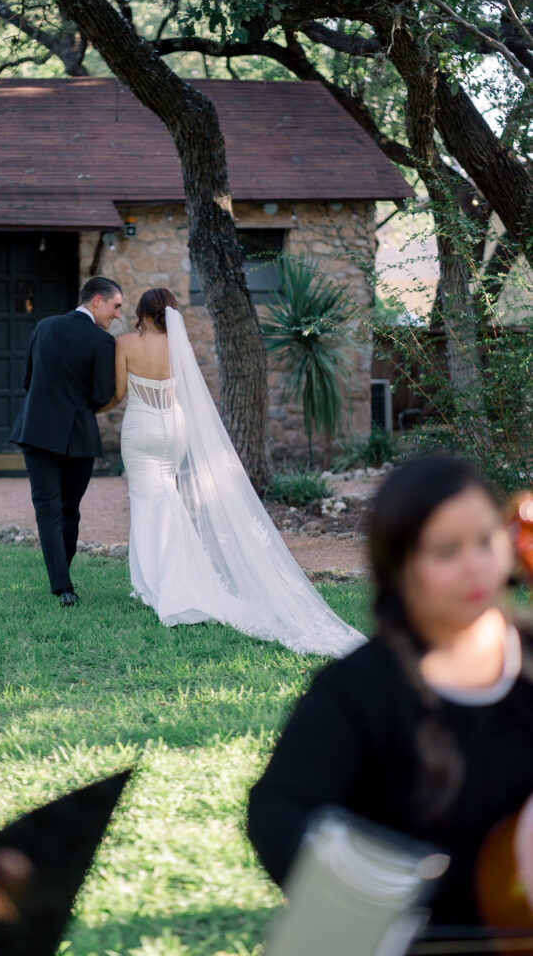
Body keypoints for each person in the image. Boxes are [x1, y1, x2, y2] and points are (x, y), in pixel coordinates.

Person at [247, 453, 533, 928]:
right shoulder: (357, 689)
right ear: (400, 568)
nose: (475, 566)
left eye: (485, 542)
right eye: (446, 551)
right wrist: (370, 905)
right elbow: (277, 815)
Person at [104, 288, 362, 657]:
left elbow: (117, 394)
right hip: (173, 428)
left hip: (141, 429)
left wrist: (94, 408)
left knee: (147, 500)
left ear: (143, 313)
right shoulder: (181, 347)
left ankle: (161, 583)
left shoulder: (126, 343)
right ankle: (173, 577)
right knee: (168, 495)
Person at [10, 276, 123, 606]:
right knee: (69, 510)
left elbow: (27, 380)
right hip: (78, 437)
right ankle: (63, 582)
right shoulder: (103, 342)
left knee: (47, 510)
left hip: (37, 431)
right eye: (115, 307)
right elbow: (102, 395)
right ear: (97, 300)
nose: (117, 315)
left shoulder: (43, 327)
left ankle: (63, 585)